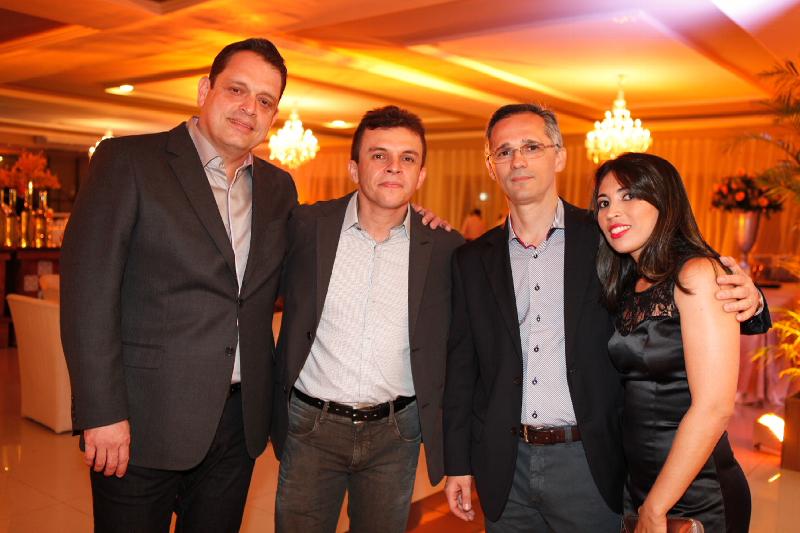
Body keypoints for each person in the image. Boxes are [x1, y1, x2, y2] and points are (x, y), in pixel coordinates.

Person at [441, 103, 770, 532]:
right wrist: (458, 463)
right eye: (504, 151)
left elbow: (675, 277)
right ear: (491, 165)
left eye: (531, 147)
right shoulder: (470, 259)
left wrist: (753, 299)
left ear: (560, 156)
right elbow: (462, 368)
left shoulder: (607, 238)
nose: (517, 160)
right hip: (506, 465)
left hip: (592, 460)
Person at [60, 38, 296, 532]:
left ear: (273, 116)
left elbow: (303, 267)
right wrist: (101, 412)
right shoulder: (128, 161)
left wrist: (402, 217)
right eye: (237, 89)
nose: (249, 108)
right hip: (142, 420)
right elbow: (87, 297)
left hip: (239, 425)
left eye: (265, 100)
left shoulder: (279, 188)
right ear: (205, 90)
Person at [271, 105, 464, 532]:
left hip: (397, 433)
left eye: (407, 158)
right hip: (311, 425)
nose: (394, 167)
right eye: (379, 155)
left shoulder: (447, 248)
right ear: (354, 168)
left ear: (421, 175)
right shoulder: (306, 226)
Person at [593, 153, 752, 532]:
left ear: (665, 201)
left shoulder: (697, 273)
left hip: (697, 489)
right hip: (641, 484)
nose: (613, 212)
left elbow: (714, 407)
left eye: (629, 196)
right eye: (604, 202)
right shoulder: (628, 284)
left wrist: (656, 506)